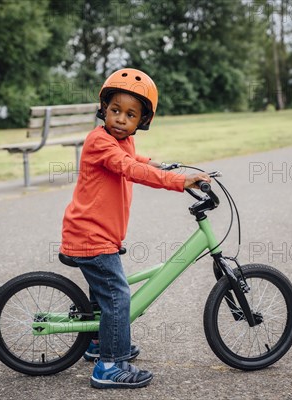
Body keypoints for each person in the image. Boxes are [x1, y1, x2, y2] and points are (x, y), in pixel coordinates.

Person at [60, 68, 210, 389]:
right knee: (118, 297)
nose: (120, 119)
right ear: (104, 108)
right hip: (92, 236)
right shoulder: (100, 142)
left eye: (130, 115)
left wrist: (161, 164)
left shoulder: (122, 141)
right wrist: (178, 181)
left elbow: (135, 157)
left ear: (141, 121)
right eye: (115, 111)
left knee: (104, 296)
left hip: (99, 234)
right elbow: (129, 168)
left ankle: (100, 343)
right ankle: (109, 367)